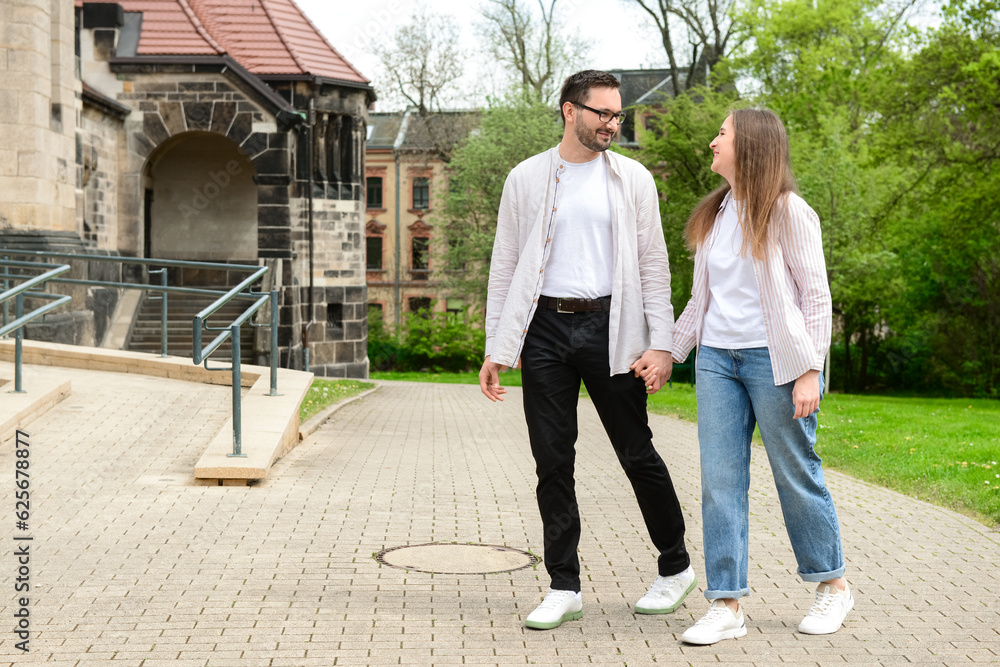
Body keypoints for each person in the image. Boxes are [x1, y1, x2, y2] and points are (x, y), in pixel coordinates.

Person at [478, 70, 695, 631]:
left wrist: (663, 345)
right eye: (602, 113)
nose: (613, 124)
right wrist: (496, 347)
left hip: (612, 329)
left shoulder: (633, 179)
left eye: (617, 114)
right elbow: (505, 266)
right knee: (552, 461)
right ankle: (563, 585)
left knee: (636, 452)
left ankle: (675, 565)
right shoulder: (526, 178)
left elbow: (653, 267)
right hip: (544, 330)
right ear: (569, 111)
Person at [661, 108, 852, 645]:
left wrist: (810, 370)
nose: (712, 141)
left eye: (721, 133)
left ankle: (833, 586)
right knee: (720, 483)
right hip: (718, 361)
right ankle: (726, 604)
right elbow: (702, 300)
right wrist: (669, 353)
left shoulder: (789, 211)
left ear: (750, 146)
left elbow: (816, 298)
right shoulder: (715, 212)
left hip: (776, 361)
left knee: (796, 474)